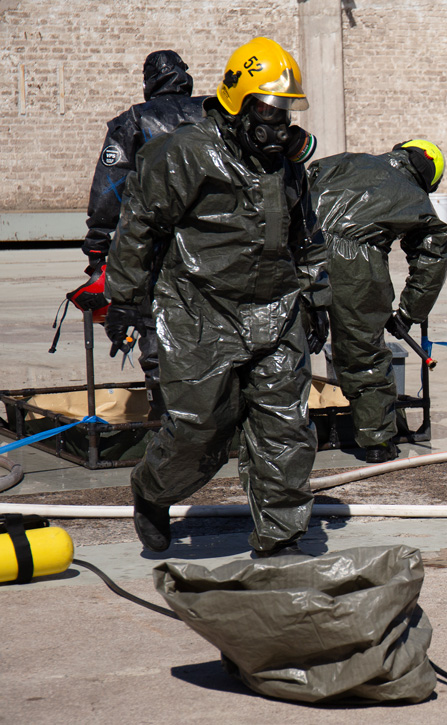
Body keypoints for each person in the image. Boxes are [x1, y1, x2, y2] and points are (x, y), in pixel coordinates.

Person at [103, 37, 330, 557]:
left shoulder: (286, 164)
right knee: (200, 430)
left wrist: (316, 302)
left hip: (276, 309)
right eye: (272, 112)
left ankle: (280, 539)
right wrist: (125, 298)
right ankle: (152, 492)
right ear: (240, 102)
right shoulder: (184, 153)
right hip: (199, 310)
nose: (282, 126)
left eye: (287, 113)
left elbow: (307, 237)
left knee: (287, 431)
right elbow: (139, 226)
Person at [78, 50, 206, 418]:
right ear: (185, 76)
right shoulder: (215, 113)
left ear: (149, 81)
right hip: (218, 243)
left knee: (156, 331)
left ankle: (170, 421)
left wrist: (98, 249)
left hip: (157, 246)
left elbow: (110, 191)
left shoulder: (134, 120)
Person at [309, 140, 447, 463]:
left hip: (300, 248)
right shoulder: (412, 194)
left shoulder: (344, 160)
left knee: (287, 345)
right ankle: (377, 442)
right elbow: (433, 250)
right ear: (428, 178)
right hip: (356, 265)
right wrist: (408, 313)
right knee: (363, 354)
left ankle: (275, 435)